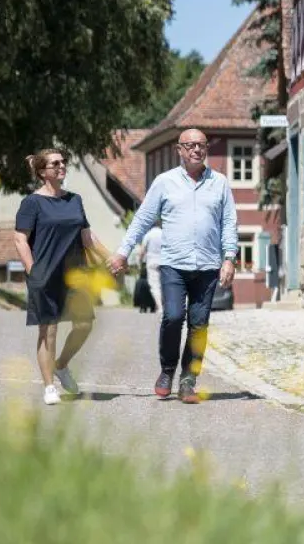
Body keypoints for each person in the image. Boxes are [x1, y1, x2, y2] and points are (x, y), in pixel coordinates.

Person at [110, 129, 237, 404]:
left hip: (207, 266)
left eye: (201, 145)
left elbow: (228, 222)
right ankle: (167, 371)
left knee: (199, 324)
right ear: (179, 150)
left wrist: (229, 258)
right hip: (173, 265)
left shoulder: (220, 183)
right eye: (190, 145)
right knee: (173, 317)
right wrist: (123, 252)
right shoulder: (164, 182)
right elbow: (143, 219)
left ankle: (188, 380)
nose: (196, 149)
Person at [15, 149, 111, 406]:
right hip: (45, 274)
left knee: (84, 325)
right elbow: (20, 239)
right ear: (42, 172)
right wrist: (32, 271)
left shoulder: (75, 200)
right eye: (55, 163)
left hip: (75, 274)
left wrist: (111, 258)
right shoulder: (32, 203)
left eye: (63, 162)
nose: (61, 166)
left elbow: (87, 236)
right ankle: (49, 386)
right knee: (49, 331)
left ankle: (61, 365)